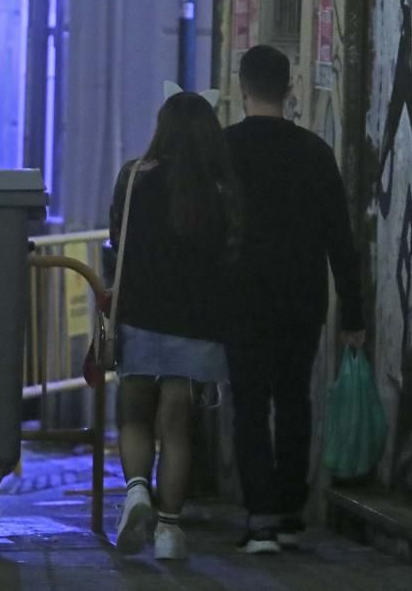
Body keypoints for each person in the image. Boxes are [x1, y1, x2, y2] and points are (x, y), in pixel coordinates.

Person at [223, 44, 365, 554]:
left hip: (241, 302)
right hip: (302, 301)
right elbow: (340, 241)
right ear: (290, 89)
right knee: (294, 400)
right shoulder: (315, 153)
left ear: (242, 88)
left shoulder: (225, 150)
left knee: (250, 405)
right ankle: (288, 510)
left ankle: (259, 518)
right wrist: (353, 311)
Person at [111, 90, 242, 560]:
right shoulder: (222, 190)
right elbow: (232, 257)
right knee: (178, 430)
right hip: (200, 325)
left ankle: (137, 491)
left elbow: (115, 240)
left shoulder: (133, 178)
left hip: (140, 316)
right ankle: (168, 531)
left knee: (133, 415)